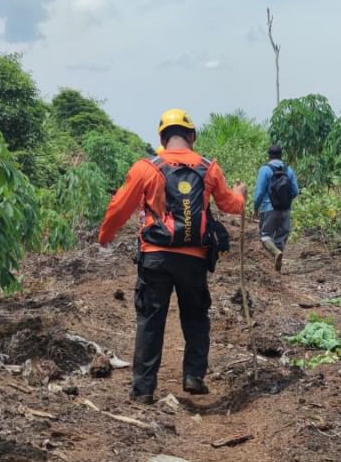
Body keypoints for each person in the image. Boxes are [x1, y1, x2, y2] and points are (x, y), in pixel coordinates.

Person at [97, 109, 246, 404]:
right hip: (194, 258)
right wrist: (240, 194)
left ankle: (142, 390)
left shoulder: (146, 167)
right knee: (196, 315)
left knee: (151, 320)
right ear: (191, 136)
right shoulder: (209, 167)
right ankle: (193, 376)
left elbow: (119, 207)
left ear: (162, 139)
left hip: (156, 256)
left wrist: (105, 236)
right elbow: (230, 205)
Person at [253, 144, 299, 271]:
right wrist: (285, 201)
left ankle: (275, 254)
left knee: (265, 235)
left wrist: (256, 207)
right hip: (285, 209)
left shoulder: (265, 170)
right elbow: (295, 191)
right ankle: (276, 267)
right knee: (280, 237)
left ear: (269, 155)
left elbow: (260, 192)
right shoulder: (288, 170)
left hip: (269, 208)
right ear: (281, 155)